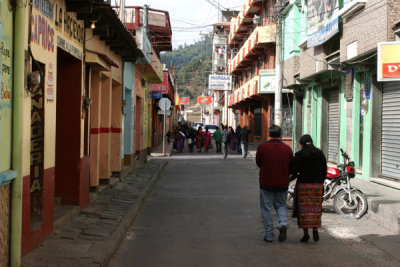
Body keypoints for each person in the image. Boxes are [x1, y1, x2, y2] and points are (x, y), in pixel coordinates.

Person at [256, 125, 293, 242]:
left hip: (266, 183)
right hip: (282, 183)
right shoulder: (287, 149)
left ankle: (269, 235)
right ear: (281, 134)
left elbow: (258, 163)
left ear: (268, 134)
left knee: (267, 209)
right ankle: (282, 222)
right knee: (281, 205)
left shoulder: (262, 148)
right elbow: (291, 166)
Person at [292, 134, 327, 243]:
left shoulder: (299, 155)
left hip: (303, 184)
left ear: (301, 144)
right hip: (317, 184)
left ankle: (306, 234)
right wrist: (320, 181)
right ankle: (315, 228)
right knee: (315, 207)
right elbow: (324, 170)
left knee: (303, 209)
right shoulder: (320, 153)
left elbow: (294, 171)